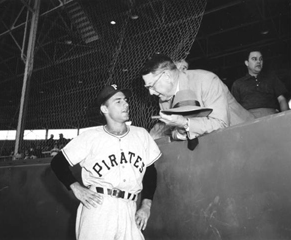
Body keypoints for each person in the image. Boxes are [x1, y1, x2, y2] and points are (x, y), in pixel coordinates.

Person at [51, 84, 161, 240]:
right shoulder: (90, 137)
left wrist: (146, 205)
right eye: (118, 101)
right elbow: (58, 163)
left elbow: (150, 172)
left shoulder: (141, 135)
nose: (126, 104)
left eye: (125, 100)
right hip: (99, 206)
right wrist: (76, 188)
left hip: (129, 206)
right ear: (104, 109)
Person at [141, 53, 254, 140]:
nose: (151, 92)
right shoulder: (164, 101)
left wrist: (185, 123)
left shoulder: (206, 81)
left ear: (166, 76)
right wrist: (181, 131)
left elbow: (221, 124)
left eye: (152, 86)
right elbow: (176, 133)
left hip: (245, 136)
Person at [231, 49, 289, 118]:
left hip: (272, 118)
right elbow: (234, 108)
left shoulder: (271, 78)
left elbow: (281, 99)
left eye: (260, 59)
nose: (258, 61)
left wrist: (286, 117)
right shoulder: (238, 84)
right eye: (254, 59)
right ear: (247, 63)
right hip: (248, 122)